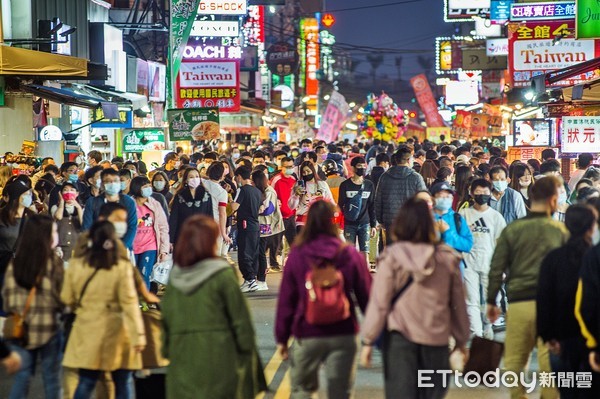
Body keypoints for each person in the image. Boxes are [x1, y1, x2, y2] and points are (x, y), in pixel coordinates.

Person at [360, 197, 470, 399]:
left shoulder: (392, 257)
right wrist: (462, 340)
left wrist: (368, 340)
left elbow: (379, 303)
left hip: (400, 341)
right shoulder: (447, 258)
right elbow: (458, 305)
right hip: (436, 341)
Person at [161, 215, 266, 398]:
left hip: (183, 361)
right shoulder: (222, 274)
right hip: (219, 358)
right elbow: (240, 321)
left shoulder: (175, 279)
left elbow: (166, 325)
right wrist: (247, 352)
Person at [275, 200, 372, 399]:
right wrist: (373, 337)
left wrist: (282, 338)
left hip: (307, 331)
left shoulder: (297, 254)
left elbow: (287, 300)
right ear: (333, 222)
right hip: (343, 332)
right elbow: (367, 297)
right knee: (340, 392)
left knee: (303, 390)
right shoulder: (349, 254)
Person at [487, 176, 568, 399]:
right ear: (553, 200)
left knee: (515, 358)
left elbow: (496, 267)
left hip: (519, 302)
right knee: (548, 360)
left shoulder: (513, 229)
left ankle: (518, 395)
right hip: (550, 306)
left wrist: (491, 300)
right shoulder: (561, 231)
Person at [62, 220, 146, 399]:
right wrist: (138, 336)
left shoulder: (77, 266)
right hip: (117, 332)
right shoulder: (121, 267)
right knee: (122, 382)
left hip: (87, 330)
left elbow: (66, 299)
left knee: (86, 381)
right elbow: (130, 304)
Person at [537, 205, 599, 398]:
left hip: (560, 338)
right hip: (589, 339)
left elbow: (544, 299)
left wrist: (547, 335)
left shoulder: (553, 258)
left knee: (567, 391)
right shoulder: (594, 257)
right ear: (591, 227)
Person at [2, 214, 64, 399]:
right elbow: (63, 298)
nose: (56, 235)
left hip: (22, 330)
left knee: (22, 378)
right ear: (45, 236)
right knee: (52, 380)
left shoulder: (17, 262)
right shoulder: (54, 263)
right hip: (50, 329)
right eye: (53, 231)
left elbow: (8, 299)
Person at [459, 179, 506, 338]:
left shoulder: (496, 217)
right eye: (478, 192)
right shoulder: (463, 214)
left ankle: (487, 326)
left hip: (490, 263)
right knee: (471, 301)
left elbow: (502, 243)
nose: (482, 196)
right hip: (468, 264)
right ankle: (477, 333)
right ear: (472, 194)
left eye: (485, 193)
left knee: (491, 299)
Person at [375, 147, 427, 244]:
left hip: (390, 220)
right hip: (411, 220)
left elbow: (378, 200)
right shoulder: (416, 177)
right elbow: (424, 200)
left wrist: (380, 219)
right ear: (408, 160)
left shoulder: (385, 176)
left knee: (393, 250)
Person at [0, 180, 35, 315]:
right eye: (25, 194)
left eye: (30, 194)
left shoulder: (32, 217)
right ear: (15, 197)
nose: (29, 197)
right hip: (3, 268)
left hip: (24, 270)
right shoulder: (2, 216)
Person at [82, 168, 138, 251]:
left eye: (115, 181)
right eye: (108, 181)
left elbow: (132, 226)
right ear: (102, 184)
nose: (112, 184)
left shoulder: (128, 202)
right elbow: (87, 227)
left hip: (122, 248)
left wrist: (122, 246)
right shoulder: (92, 202)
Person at [129, 176, 170, 289]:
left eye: (149, 186)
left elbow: (163, 227)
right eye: (145, 186)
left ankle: (143, 301)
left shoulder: (155, 204)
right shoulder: (129, 204)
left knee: (144, 273)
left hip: (149, 246)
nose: (149, 189)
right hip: (132, 247)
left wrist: (164, 250)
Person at [338, 157, 377, 264]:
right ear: (353, 168)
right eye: (359, 166)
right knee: (349, 254)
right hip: (349, 224)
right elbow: (340, 206)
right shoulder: (345, 185)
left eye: (364, 166)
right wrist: (340, 225)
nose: (362, 169)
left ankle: (365, 278)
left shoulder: (369, 185)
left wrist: (373, 225)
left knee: (365, 253)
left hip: (365, 223)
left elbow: (372, 205)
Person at [231, 166, 262, 293]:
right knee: (253, 253)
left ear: (239, 177)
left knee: (244, 253)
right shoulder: (257, 191)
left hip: (245, 224)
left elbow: (234, 206)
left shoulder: (242, 190)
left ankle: (250, 280)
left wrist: (228, 201)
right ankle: (250, 280)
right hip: (255, 225)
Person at [252, 170, 284, 290]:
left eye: (252, 180)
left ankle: (261, 280)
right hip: (261, 224)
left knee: (261, 252)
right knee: (259, 252)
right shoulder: (262, 191)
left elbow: (268, 209)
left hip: (266, 225)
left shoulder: (269, 191)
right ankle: (258, 278)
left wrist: (253, 210)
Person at [430, 182, 473, 271]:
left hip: (454, 269)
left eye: (448, 196)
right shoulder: (426, 218)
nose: (445, 199)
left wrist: (448, 232)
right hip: (431, 268)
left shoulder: (457, 218)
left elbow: (467, 245)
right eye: (441, 196)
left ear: (452, 198)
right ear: (433, 198)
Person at [168, 168, 213, 245]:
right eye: (191, 177)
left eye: (197, 176)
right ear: (186, 180)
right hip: (183, 237)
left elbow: (210, 217)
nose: (195, 179)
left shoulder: (206, 196)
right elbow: (174, 218)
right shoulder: (179, 196)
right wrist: (170, 240)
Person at [288, 161, 334, 231]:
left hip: (320, 222)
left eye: (308, 171)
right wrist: (296, 195)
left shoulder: (323, 184)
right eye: (303, 172)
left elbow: (330, 201)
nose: (306, 174)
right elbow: (291, 206)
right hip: (302, 222)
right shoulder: (298, 186)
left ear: (313, 171)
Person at [203, 162, 232, 254]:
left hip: (201, 223)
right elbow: (222, 214)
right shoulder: (222, 192)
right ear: (221, 176)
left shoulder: (202, 183)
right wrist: (224, 233)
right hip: (215, 225)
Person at [51, 182, 83, 262]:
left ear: (77, 193)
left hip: (76, 248)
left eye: (72, 190)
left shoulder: (82, 208)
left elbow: (83, 225)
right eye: (65, 190)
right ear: (61, 193)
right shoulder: (55, 207)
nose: (69, 193)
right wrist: (62, 202)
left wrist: (78, 208)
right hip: (60, 249)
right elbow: (58, 216)